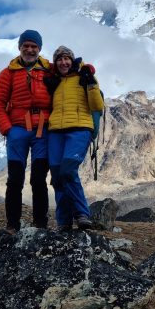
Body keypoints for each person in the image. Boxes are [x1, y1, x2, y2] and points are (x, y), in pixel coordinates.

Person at [0, 30, 53, 233]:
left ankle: (40, 224)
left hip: (42, 131)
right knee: (15, 180)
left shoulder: (50, 70)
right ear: (20, 47)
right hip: (17, 130)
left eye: (34, 46)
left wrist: (85, 68)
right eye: (26, 46)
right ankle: (12, 225)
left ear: (39, 49)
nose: (29, 50)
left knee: (38, 179)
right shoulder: (8, 73)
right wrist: (7, 129)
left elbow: (69, 72)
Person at [45, 46, 105, 231]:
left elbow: (97, 106)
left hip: (80, 129)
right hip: (56, 131)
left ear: (72, 60)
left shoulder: (84, 76)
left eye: (67, 59)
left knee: (68, 169)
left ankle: (81, 214)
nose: (63, 62)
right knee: (57, 175)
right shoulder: (54, 81)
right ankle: (63, 221)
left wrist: (91, 82)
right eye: (59, 59)